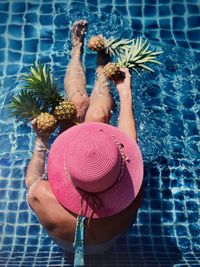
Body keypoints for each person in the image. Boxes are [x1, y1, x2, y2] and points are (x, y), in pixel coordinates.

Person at [26, 20, 144, 266]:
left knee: (77, 104)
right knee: (98, 115)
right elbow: (129, 147)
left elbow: (32, 180)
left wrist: (41, 139)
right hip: (106, 241)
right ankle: (102, 70)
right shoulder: (132, 197)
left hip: (68, 232)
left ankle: (76, 49)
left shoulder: (42, 196)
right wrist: (125, 92)